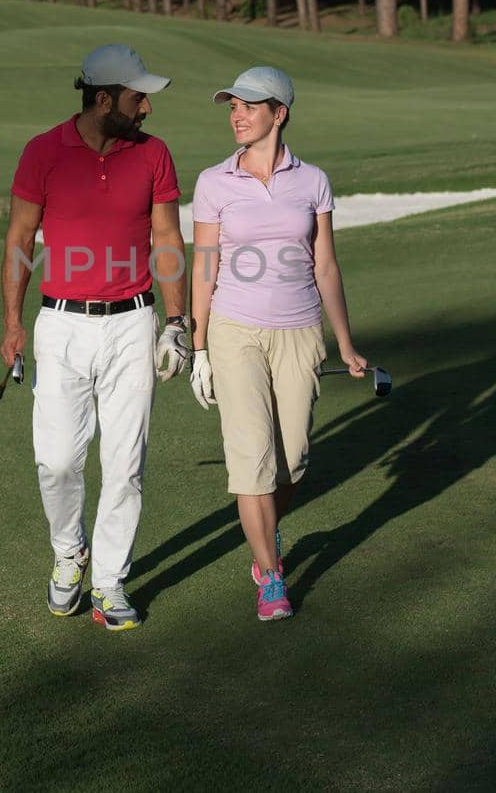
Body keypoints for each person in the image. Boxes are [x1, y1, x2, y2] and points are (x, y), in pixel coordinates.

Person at [1, 44, 190, 631]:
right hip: (60, 324)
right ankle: (68, 554)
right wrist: (12, 323)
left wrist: (178, 322)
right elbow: (20, 238)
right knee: (57, 462)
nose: (147, 111)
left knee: (124, 464)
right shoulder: (42, 152)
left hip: (133, 323)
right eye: (139, 99)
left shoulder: (154, 154)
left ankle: (109, 581)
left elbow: (166, 238)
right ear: (103, 98)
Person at [187, 65, 369, 621]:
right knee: (252, 461)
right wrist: (198, 348)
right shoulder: (214, 182)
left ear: (279, 113)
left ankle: (267, 526)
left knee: (292, 460)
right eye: (232, 106)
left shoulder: (312, 180)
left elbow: (326, 265)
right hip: (234, 330)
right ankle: (270, 575)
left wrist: (345, 342)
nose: (236, 114)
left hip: (300, 329)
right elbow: (204, 269)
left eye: (248, 105)